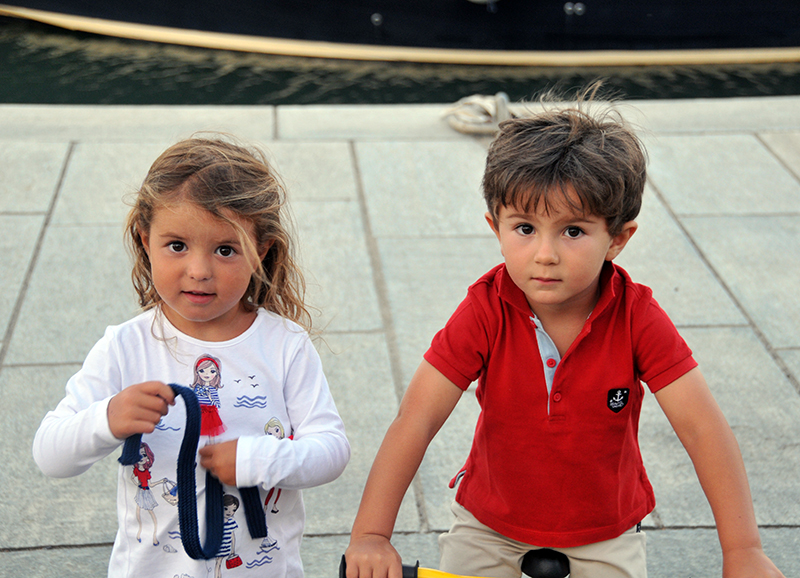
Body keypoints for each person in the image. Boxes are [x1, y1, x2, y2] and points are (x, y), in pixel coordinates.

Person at [345, 90, 784, 578]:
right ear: (495, 227)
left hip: (605, 529)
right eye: (524, 228)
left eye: (573, 231)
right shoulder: (485, 310)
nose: (545, 254)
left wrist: (742, 549)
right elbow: (416, 419)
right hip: (490, 522)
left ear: (617, 238)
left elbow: (704, 429)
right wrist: (371, 535)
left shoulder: (637, 317)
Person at [33, 135, 351, 578]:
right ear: (145, 240)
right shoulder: (126, 347)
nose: (199, 271)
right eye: (177, 245)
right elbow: (50, 454)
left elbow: (331, 450)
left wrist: (260, 460)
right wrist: (107, 418)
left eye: (225, 250)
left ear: (260, 251)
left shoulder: (285, 345)